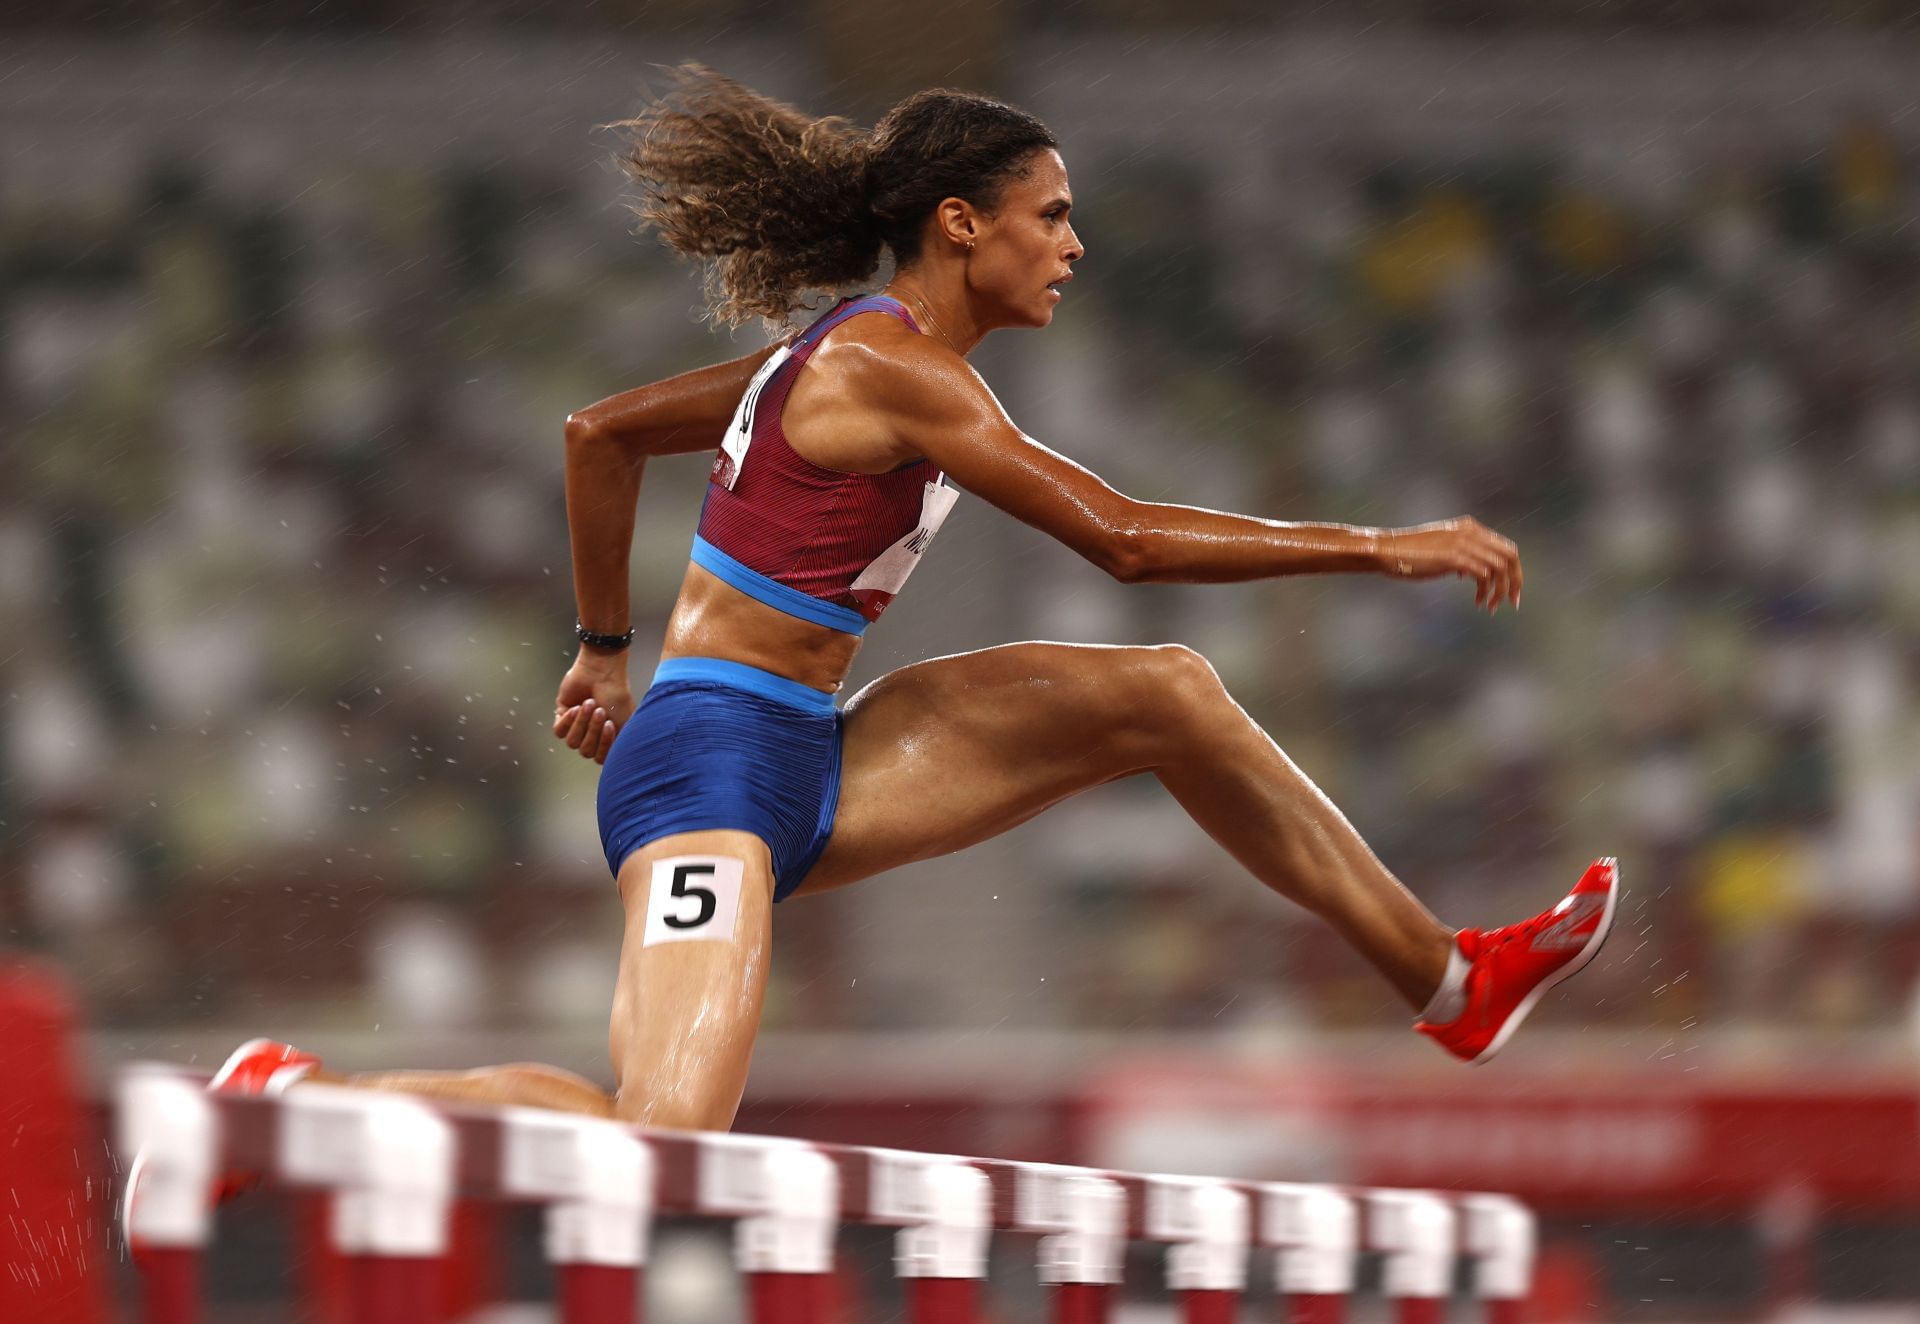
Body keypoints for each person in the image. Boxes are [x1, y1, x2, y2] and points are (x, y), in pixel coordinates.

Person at [138, 69, 1618, 1187]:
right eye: (1051, 217)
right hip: (707, 771)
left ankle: (1450, 982)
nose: (1074, 246)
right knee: (663, 1147)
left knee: (1167, 696)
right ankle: (296, 1098)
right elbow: (1122, 540)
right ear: (960, 224)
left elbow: (597, 434)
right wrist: (1377, 544)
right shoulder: (899, 373)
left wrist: (597, 644)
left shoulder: (826, 360)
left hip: (813, 745)